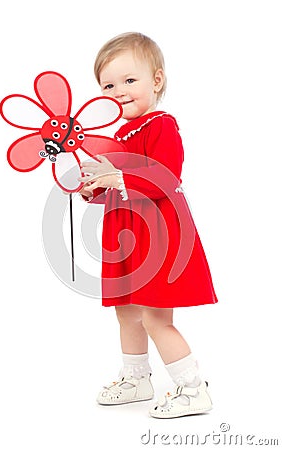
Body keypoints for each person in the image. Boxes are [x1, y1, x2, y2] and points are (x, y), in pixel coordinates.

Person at [78, 32, 218, 419]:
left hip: (157, 234)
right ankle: (137, 377)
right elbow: (115, 186)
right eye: (108, 85)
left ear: (156, 80)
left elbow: (166, 177)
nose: (119, 91)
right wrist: (94, 188)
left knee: (156, 315)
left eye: (129, 80)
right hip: (126, 233)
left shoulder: (161, 125)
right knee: (126, 310)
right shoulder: (116, 136)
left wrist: (118, 179)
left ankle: (193, 388)